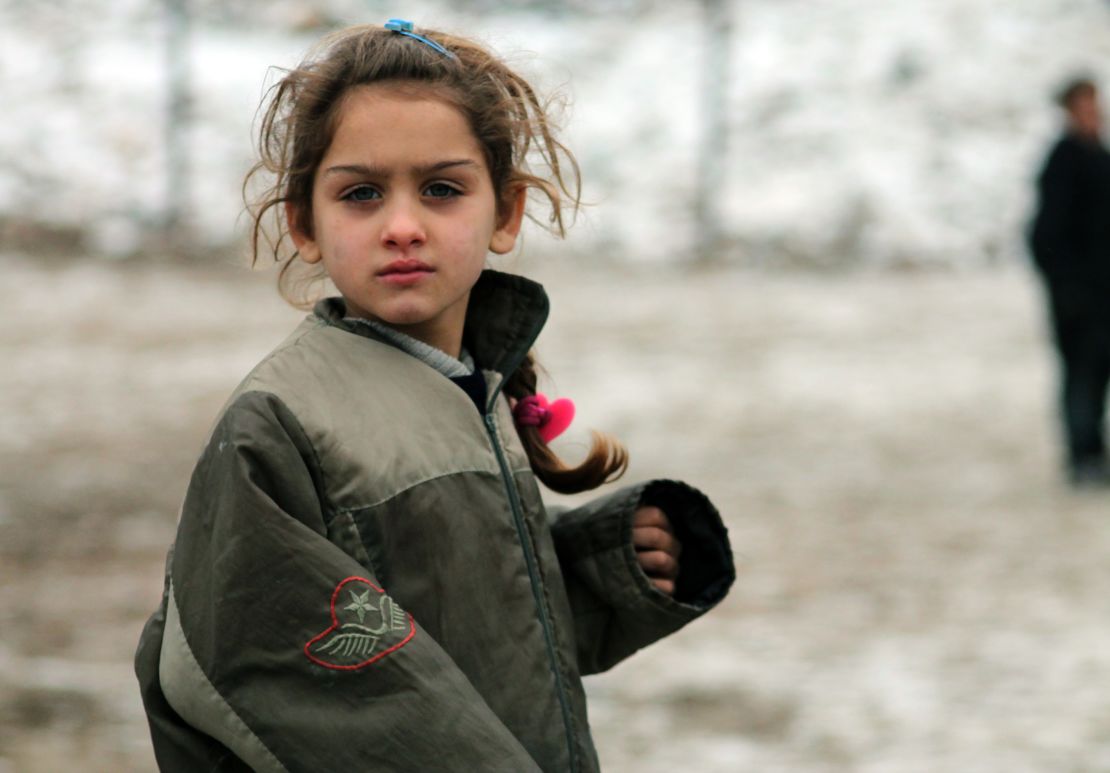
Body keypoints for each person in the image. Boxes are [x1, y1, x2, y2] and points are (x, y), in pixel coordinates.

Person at [134, 20, 734, 772]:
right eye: (361, 194)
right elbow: (315, 680)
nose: (404, 226)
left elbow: (466, 625)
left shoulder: (469, 389)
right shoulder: (281, 422)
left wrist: (609, 560)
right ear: (304, 222)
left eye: (443, 189)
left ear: (506, 213)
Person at [1029, 77, 1110, 487]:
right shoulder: (1063, 161)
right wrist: (1067, 289)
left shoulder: (1099, 156)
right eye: (1086, 105)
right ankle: (1083, 459)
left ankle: (1095, 454)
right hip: (1079, 299)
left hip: (1104, 296)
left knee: (1098, 378)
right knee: (1081, 376)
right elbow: (1044, 236)